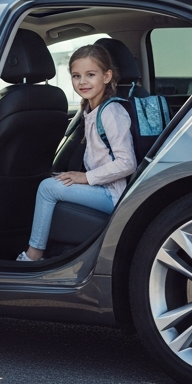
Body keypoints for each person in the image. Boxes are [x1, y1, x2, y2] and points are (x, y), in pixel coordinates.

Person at [18, 44, 135, 261]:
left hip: (112, 194)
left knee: (47, 188)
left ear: (107, 76)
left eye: (90, 74)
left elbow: (127, 163)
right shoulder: (91, 108)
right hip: (101, 187)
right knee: (53, 180)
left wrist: (85, 177)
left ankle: (33, 255)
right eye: (76, 76)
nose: (82, 82)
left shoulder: (111, 111)